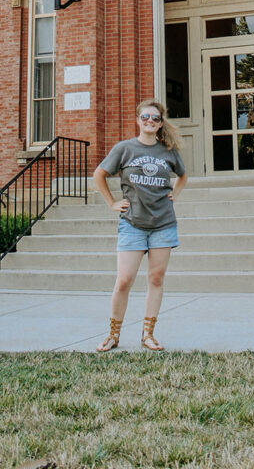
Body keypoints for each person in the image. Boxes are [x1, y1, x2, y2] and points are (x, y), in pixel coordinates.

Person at [92, 98, 188, 351]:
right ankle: (113, 334)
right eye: (145, 117)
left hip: (163, 223)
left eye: (155, 118)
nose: (149, 121)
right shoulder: (124, 149)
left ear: (160, 123)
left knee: (156, 279)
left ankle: (148, 334)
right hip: (132, 223)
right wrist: (112, 203)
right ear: (138, 120)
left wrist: (175, 194)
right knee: (124, 280)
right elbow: (99, 174)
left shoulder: (167, 151)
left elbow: (182, 175)